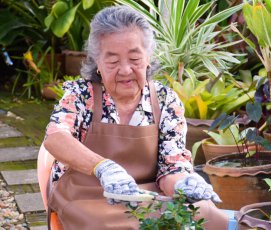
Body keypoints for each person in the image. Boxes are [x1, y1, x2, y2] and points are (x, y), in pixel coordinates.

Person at [43, 5, 234, 230]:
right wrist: (103, 167)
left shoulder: (165, 100)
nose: (125, 70)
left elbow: (170, 168)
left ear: (148, 58)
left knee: (203, 212)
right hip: (85, 196)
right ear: (97, 61)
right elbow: (55, 138)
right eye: (113, 62)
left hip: (146, 197)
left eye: (134, 58)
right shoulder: (80, 94)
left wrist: (183, 183)